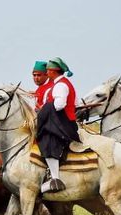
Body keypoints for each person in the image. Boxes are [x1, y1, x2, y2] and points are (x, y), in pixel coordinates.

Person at [36, 57, 80, 193]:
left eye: (48, 70)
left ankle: (55, 179)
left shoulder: (60, 85)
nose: (46, 73)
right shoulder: (60, 83)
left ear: (53, 72)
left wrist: (44, 108)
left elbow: (59, 105)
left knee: (48, 140)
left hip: (64, 124)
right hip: (63, 121)